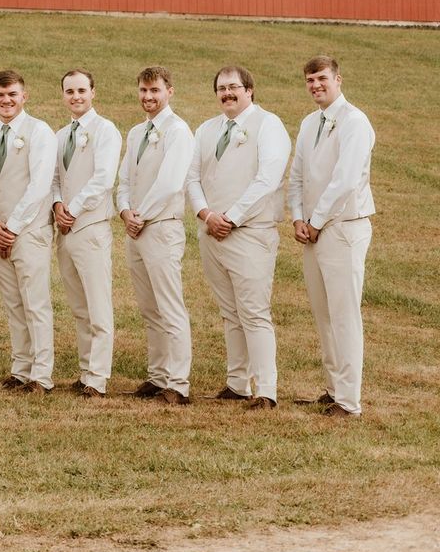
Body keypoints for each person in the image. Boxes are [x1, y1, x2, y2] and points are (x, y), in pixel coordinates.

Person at [186, 65, 290, 409]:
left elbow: (268, 177)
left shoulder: (268, 124)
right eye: (221, 88)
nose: (226, 93)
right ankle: (237, 383)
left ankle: (266, 390)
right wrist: (205, 214)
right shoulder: (206, 129)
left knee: (254, 311)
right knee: (230, 311)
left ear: (249, 89)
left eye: (233, 87)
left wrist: (230, 217)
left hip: (250, 232)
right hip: (211, 232)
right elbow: (191, 178)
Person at [286, 56, 375, 418]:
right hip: (312, 230)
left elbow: (346, 180)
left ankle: (349, 401)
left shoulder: (355, 121)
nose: (315, 85)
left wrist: (317, 221)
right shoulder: (309, 123)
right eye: (309, 80)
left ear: (338, 79)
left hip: (344, 228)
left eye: (321, 78)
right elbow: (297, 176)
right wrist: (297, 218)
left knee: (344, 313)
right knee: (323, 314)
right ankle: (333, 387)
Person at [116, 66, 196, 405]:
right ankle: (158, 374)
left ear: (169, 91)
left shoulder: (178, 131)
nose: (149, 97)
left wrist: (141, 215)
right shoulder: (136, 132)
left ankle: (178, 383)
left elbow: (170, 183)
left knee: (169, 306)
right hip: (136, 227)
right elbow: (123, 181)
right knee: (149, 307)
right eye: (144, 91)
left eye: (155, 91)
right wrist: (125, 212)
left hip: (162, 226)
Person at [0, 70, 58, 393]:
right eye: (0, 95)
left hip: (29, 230)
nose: (6, 100)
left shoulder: (39, 131)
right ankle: (20, 368)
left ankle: (41, 375)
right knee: (13, 303)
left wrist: (12, 227)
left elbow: (40, 184)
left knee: (35, 303)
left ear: (23, 96)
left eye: (12, 94)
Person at [50, 69, 122, 398]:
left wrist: (73, 209)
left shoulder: (105, 130)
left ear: (93, 92)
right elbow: (53, 178)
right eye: (69, 91)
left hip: (90, 227)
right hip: (64, 229)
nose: (75, 96)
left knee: (97, 305)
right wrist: (56, 205)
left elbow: (104, 178)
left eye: (81, 90)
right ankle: (84, 370)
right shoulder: (61, 134)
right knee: (78, 306)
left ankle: (98, 377)